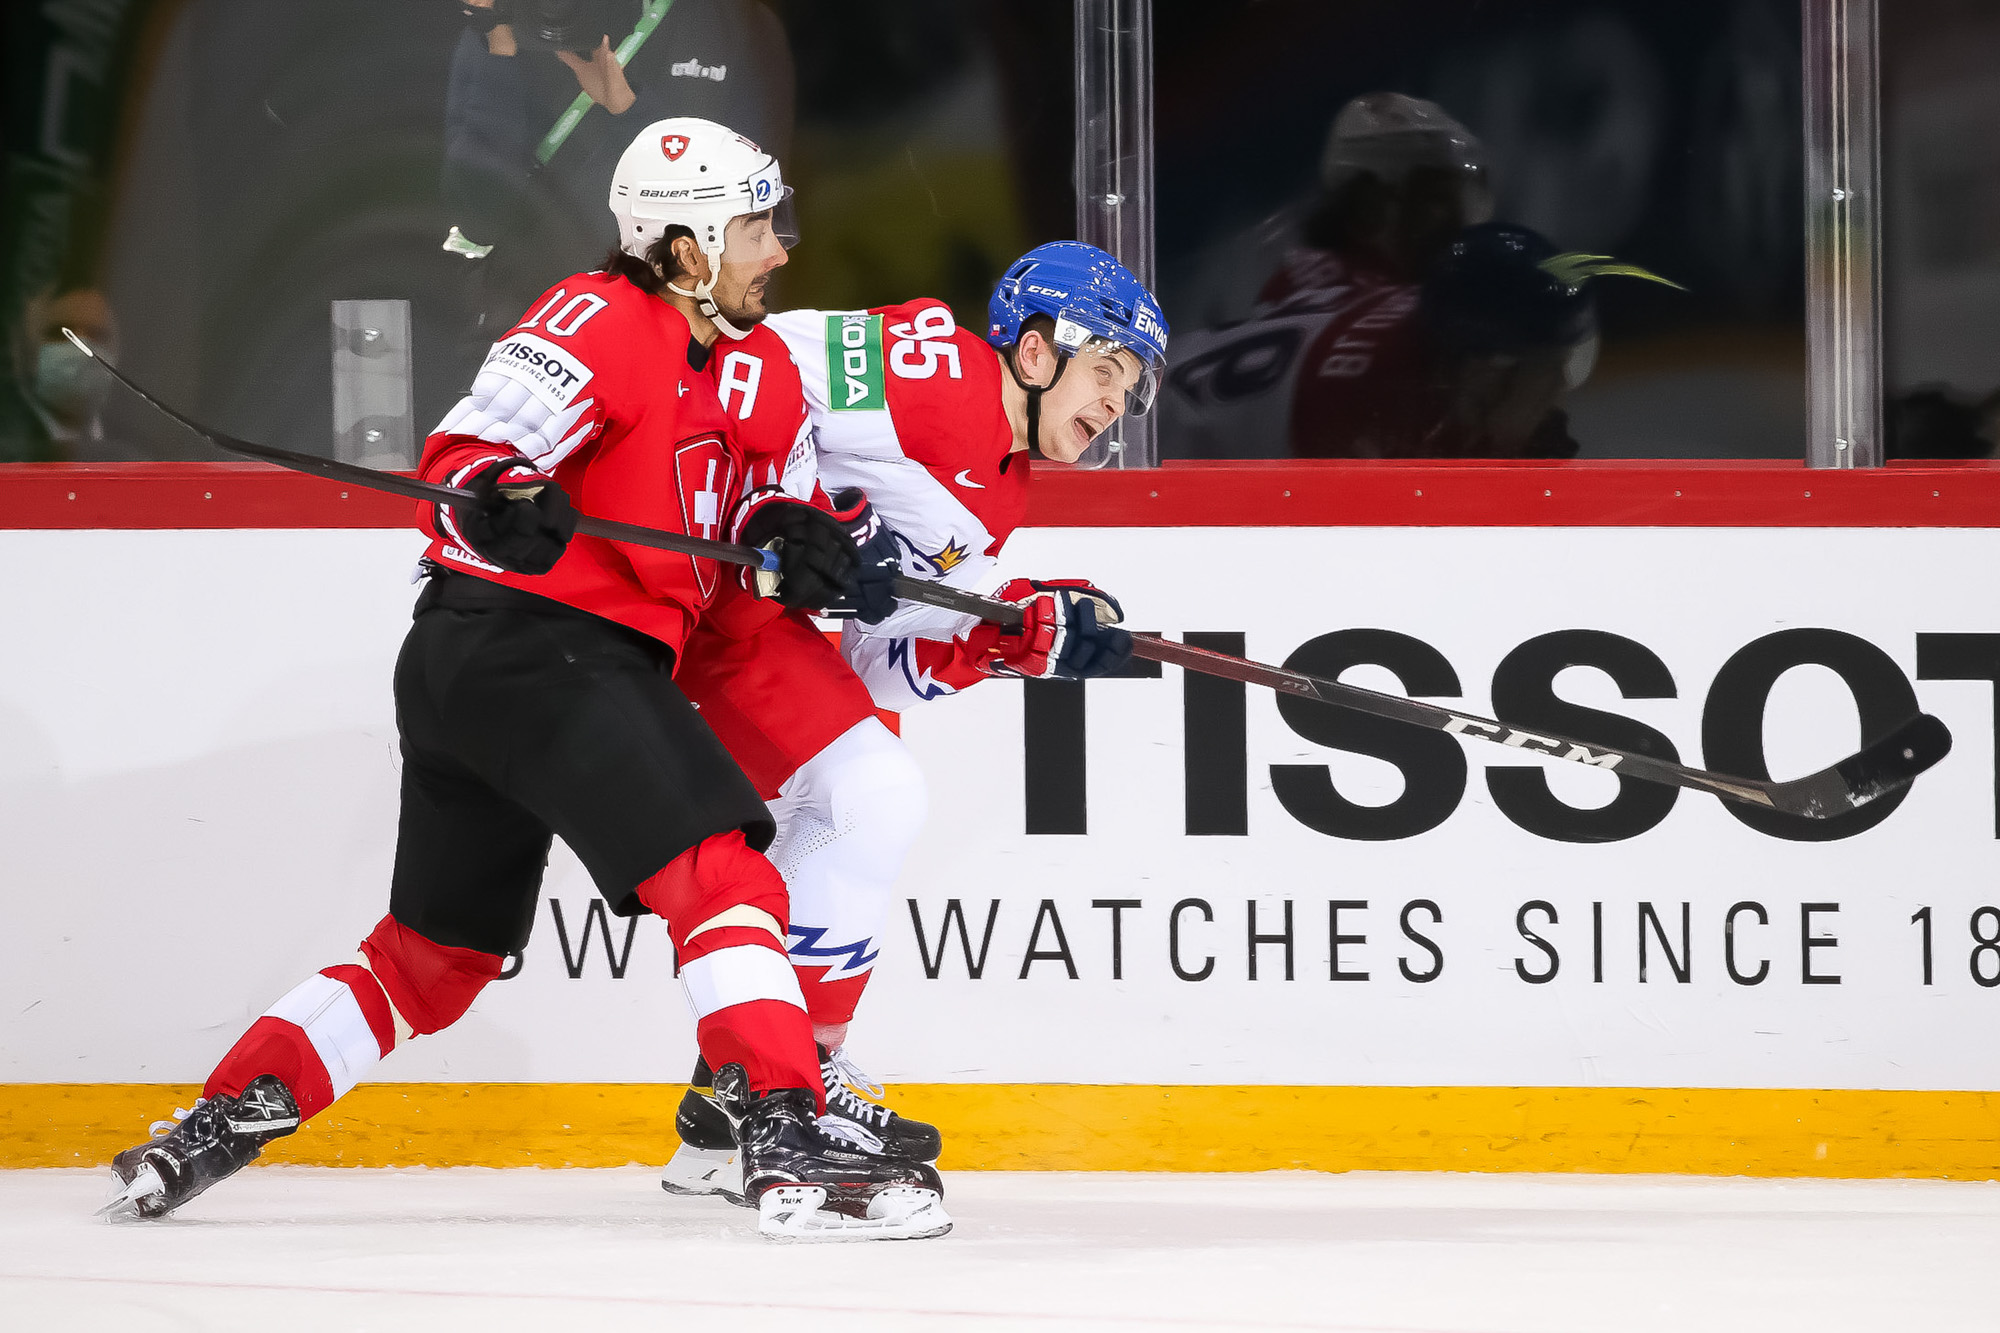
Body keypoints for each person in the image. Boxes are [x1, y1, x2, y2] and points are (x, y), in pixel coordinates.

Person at [102, 119, 949, 1243]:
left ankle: (212, 1123)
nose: (777, 250)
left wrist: (809, 539)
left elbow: (751, 527)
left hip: (498, 672)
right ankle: (788, 1143)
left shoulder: (762, 373)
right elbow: (462, 457)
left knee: (434, 958)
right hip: (536, 645)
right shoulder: (598, 314)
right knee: (725, 879)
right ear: (684, 249)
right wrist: (501, 492)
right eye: (753, 227)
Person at [660, 239, 1167, 1198]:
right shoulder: (938, 368)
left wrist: (1020, 635)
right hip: (715, 601)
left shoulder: (1001, 490)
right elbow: (752, 356)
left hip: (761, 628)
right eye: (1105, 366)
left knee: (854, 800)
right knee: (871, 794)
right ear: (1034, 349)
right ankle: (785, 1082)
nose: (1112, 402)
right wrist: (802, 505)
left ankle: (737, 1096)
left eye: (1129, 386)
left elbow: (881, 662)